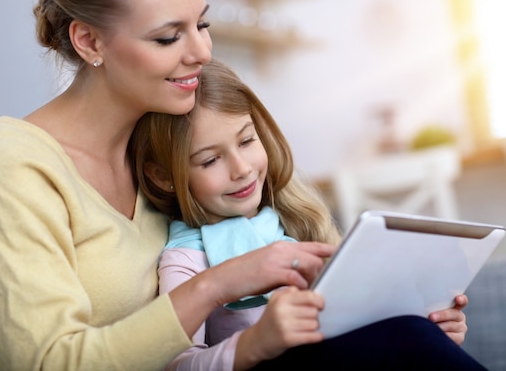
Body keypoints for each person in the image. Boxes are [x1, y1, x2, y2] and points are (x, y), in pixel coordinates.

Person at [0, 0, 336, 370]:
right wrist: (215, 285)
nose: (202, 52)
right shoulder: (12, 168)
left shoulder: (162, 145)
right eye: (168, 38)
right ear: (90, 42)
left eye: (202, 25)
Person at [129, 59, 487, 370]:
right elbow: (177, 366)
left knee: (411, 331)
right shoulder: (186, 259)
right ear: (164, 176)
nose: (241, 169)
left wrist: (431, 333)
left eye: (246, 141)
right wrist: (255, 342)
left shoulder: (293, 224)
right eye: (210, 160)